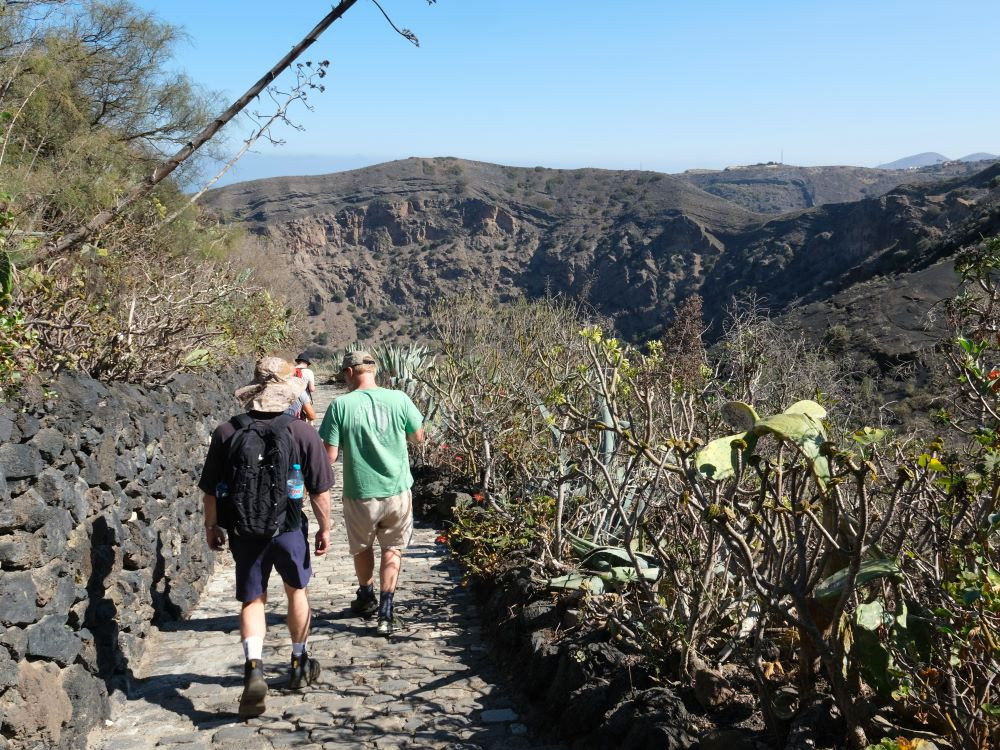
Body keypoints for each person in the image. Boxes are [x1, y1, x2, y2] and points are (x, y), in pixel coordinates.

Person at [198, 357, 333, 718]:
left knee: (253, 600)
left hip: (245, 531)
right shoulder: (302, 432)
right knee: (297, 591)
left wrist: (212, 526)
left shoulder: (227, 431)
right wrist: (325, 527)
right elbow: (320, 491)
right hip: (288, 528)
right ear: (287, 393)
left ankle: (253, 667)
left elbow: (210, 489)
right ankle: (298, 661)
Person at [319, 350, 425, 636]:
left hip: (360, 492)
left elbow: (329, 456)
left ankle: (366, 596)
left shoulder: (340, 405)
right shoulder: (400, 399)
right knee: (393, 549)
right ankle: (386, 613)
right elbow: (418, 436)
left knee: (362, 547)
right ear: (373, 371)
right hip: (397, 490)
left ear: (350, 372)